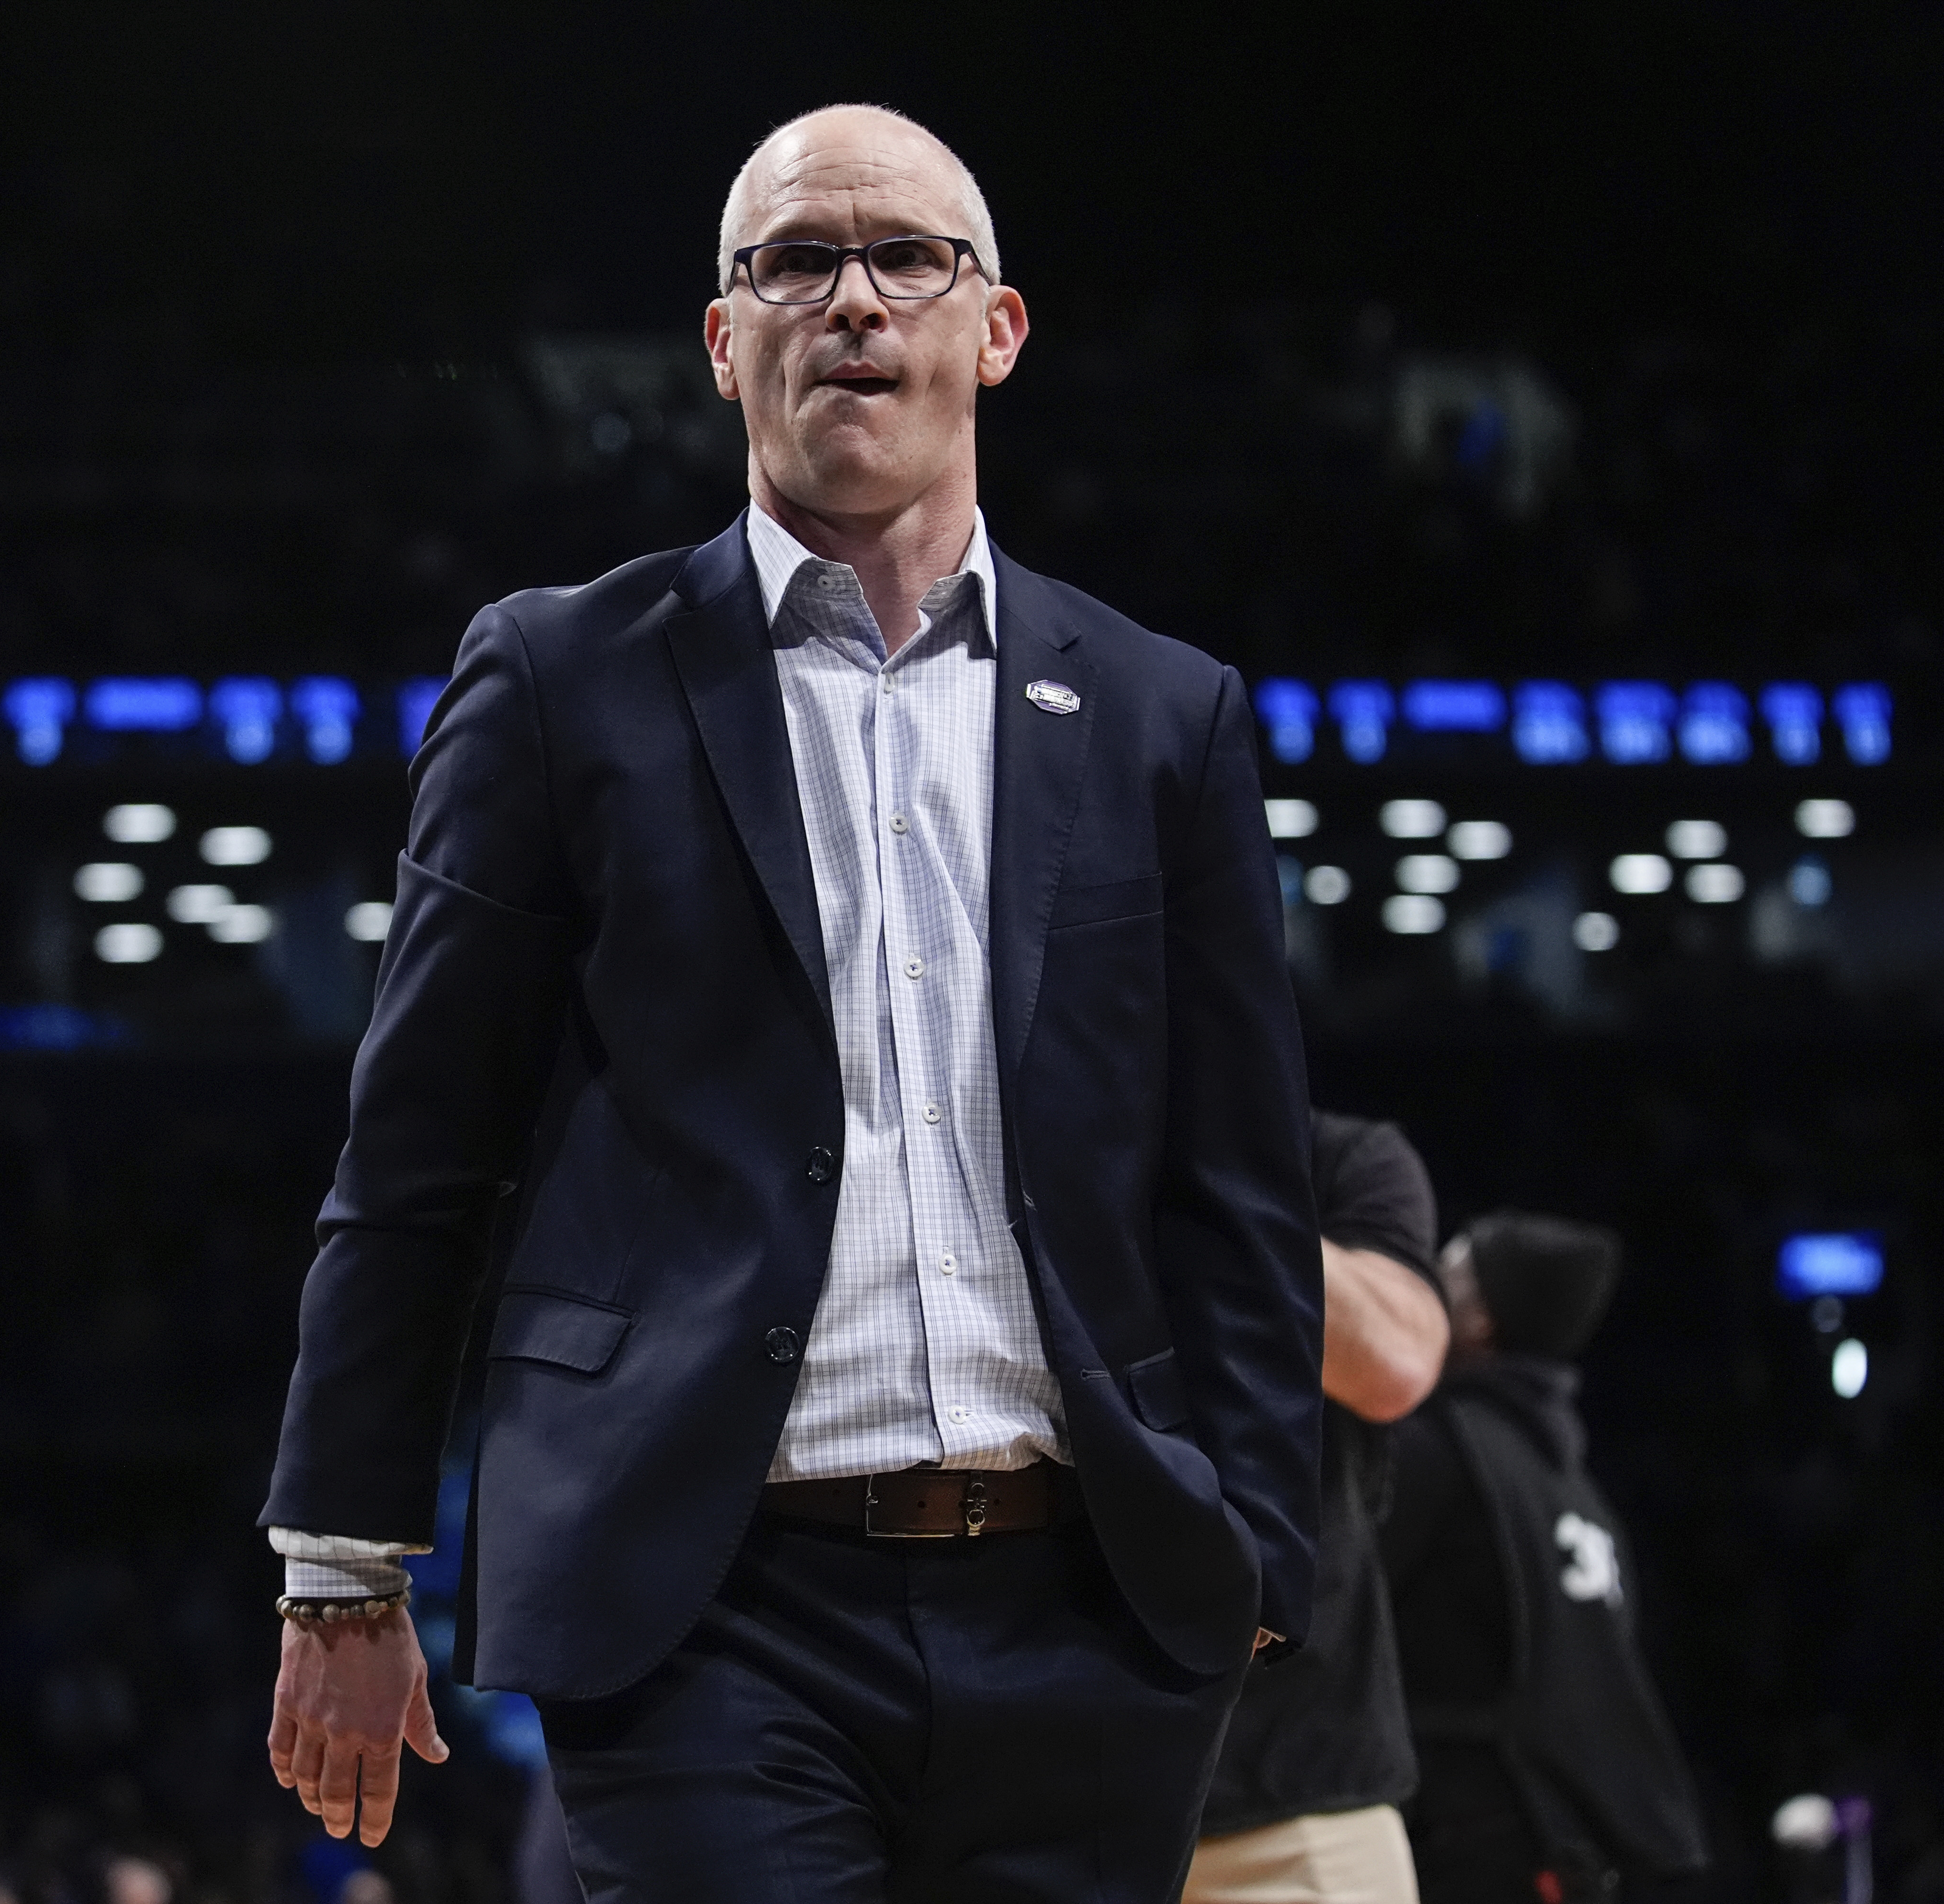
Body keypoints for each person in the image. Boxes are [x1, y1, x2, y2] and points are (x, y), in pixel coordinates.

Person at [260, 102, 1324, 1903]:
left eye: (905, 257)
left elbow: (1238, 1183)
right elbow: (416, 1151)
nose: (852, 301)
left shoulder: (1164, 712)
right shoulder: (551, 678)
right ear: (720, 338)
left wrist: (1256, 1550)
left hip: (1089, 1611)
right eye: (795, 262)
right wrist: (345, 1563)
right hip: (703, 1610)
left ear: (991, 329)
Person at [1381, 1212, 1710, 1903]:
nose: (1425, 1281)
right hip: (1563, 1842)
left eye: (1450, 1270)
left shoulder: (1439, 1450)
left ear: (1480, 1322)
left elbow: (1329, 1607)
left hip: (1462, 1844)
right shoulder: (1578, 1489)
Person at [1187, 1113, 1450, 1903]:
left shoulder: (1336, 1159)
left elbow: (1396, 1365)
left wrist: (1205, 1166)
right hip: (1045, 1782)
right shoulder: (1011, 1139)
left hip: (1293, 1802)